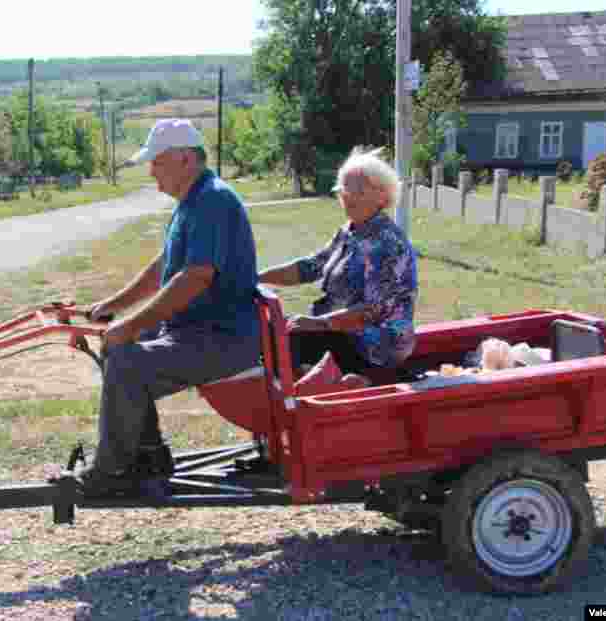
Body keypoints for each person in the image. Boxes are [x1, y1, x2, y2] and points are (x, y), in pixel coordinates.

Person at [75, 118, 261, 497]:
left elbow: (195, 278)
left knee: (127, 362)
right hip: (199, 329)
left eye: (157, 162)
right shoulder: (192, 202)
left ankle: (113, 472)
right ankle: (147, 455)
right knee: (117, 348)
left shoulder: (212, 201)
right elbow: (164, 266)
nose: (151, 172)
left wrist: (130, 325)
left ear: (185, 160)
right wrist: (113, 306)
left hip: (224, 338)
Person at [258, 147, 418, 380]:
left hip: (374, 346)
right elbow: (311, 267)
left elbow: (371, 310)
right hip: (340, 333)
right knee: (273, 331)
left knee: (289, 339)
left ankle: (326, 389)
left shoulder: (388, 243)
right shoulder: (350, 231)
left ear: (382, 196)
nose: (347, 197)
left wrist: (318, 323)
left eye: (357, 191)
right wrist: (257, 276)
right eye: (343, 190)